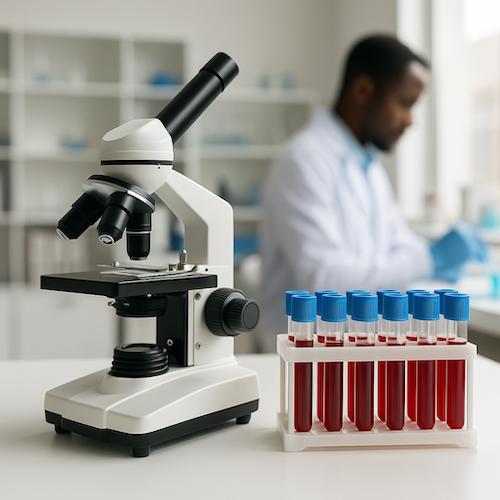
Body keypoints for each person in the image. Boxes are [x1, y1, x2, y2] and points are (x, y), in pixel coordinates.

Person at [258, 34, 487, 352]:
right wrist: (430, 258)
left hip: (356, 350)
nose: (410, 120)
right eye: (405, 104)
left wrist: (437, 255)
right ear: (363, 90)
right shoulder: (303, 160)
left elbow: (398, 244)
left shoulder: (369, 166)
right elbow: (324, 281)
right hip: (300, 355)